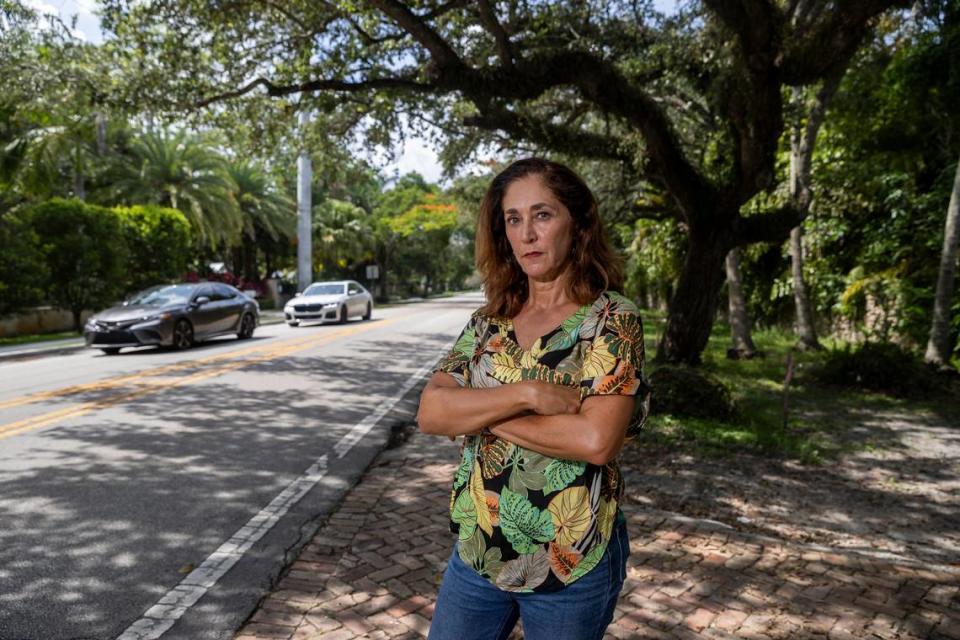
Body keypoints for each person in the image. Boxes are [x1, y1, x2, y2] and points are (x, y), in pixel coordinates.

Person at [417, 157, 650, 640]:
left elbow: (595, 440)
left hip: (570, 561)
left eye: (542, 215)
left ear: (578, 223)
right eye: (513, 219)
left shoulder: (609, 320)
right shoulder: (490, 320)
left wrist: (480, 410)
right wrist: (525, 393)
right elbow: (430, 411)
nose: (527, 234)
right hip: (478, 551)